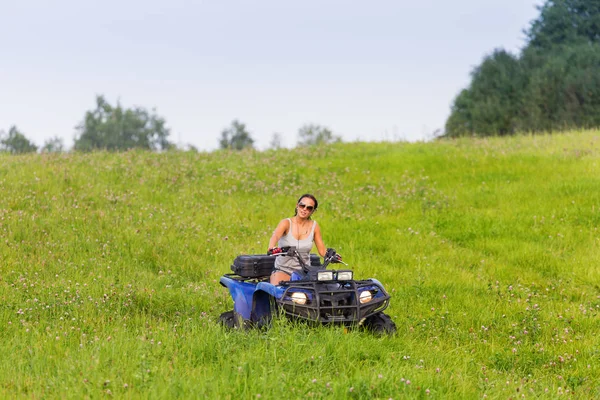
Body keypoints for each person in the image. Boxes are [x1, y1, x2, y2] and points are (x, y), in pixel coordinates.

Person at [268, 194, 329, 284]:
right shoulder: (286, 223)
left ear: (313, 211)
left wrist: (332, 256)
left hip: (304, 272)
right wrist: (272, 247)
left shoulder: (314, 226)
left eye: (309, 208)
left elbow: (322, 251)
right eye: (302, 205)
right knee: (279, 292)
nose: (304, 209)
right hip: (283, 270)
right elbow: (275, 236)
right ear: (297, 205)